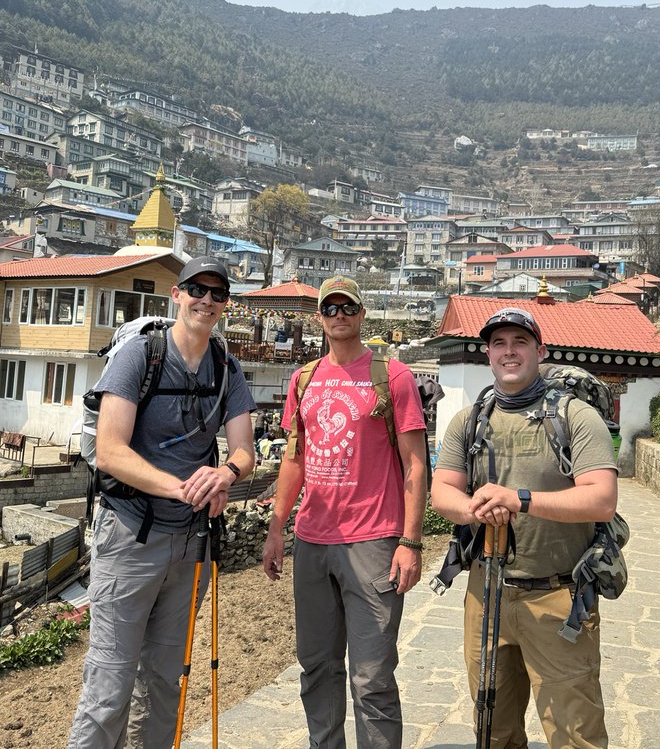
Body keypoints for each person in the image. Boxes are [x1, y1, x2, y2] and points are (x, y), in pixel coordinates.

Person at [68, 256, 257, 749]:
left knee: (165, 681)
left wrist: (225, 474)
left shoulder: (226, 367)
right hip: (131, 535)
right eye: (198, 289)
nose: (207, 300)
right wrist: (180, 487)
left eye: (218, 294)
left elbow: (244, 449)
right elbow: (109, 451)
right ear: (177, 294)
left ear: (225, 305)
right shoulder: (140, 357)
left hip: (191, 543)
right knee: (109, 684)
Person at [430, 307, 619, 749]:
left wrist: (522, 500)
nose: (509, 351)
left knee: (575, 731)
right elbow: (443, 492)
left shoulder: (574, 417)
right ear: (488, 353)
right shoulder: (469, 420)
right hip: (487, 590)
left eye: (519, 342)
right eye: (499, 343)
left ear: (540, 350)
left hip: (559, 596)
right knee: (492, 727)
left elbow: (602, 499)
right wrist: (474, 510)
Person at [262, 274, 427, 749]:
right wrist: (277, 528)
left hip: (373, 541)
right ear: (319, 317)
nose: (339, 316)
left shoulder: (392, 377)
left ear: (361, 314)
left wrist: (410, 541)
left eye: (347, 307)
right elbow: (294, 460)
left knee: (372, 676)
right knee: (316, 667)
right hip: (313, 541)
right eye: (329, 308)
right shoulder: (304, 379)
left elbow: (416, 463)